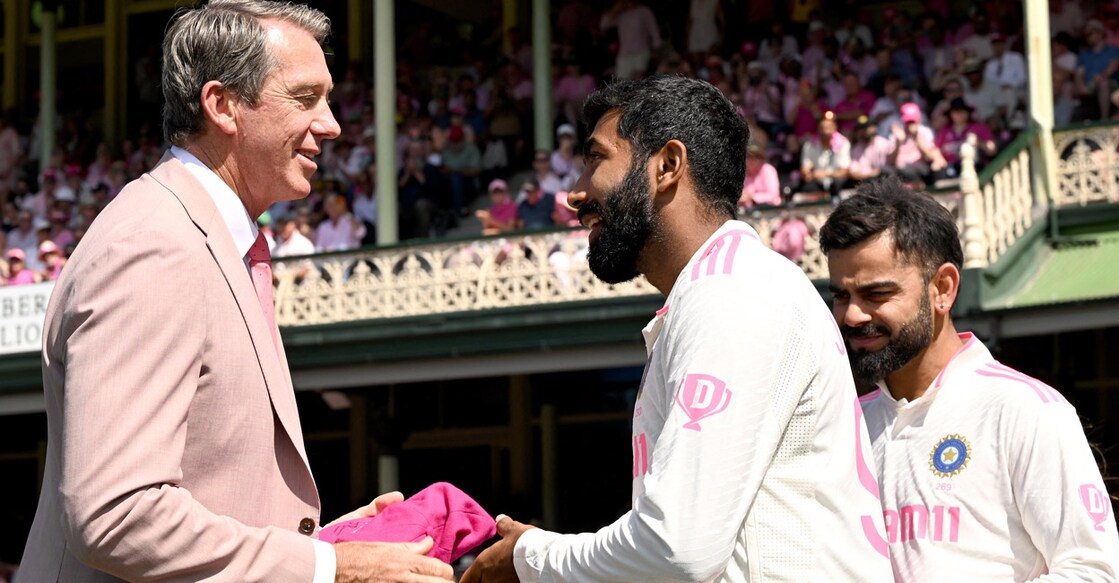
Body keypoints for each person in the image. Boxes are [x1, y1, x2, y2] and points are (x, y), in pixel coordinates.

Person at [16, 2, 455, 582]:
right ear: (222, 105)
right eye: (305, 99)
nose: (331, 124)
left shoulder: (206, 234)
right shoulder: (155, 246)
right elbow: (116, 515)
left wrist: (330, 545)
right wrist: (327, 568)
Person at [461, 74, 891, 583]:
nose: (575, 194)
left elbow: (675, 550)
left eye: (596, 158)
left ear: (667, 166)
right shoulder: (717, 290)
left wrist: (530, 558)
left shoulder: (734, 291)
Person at [820, 177, 1119, 581]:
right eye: (841, 296)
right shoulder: (844, 425)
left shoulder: (1023, 409)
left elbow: (1094, 570)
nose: (852, 316)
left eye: (876, 295)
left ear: (942, 288)